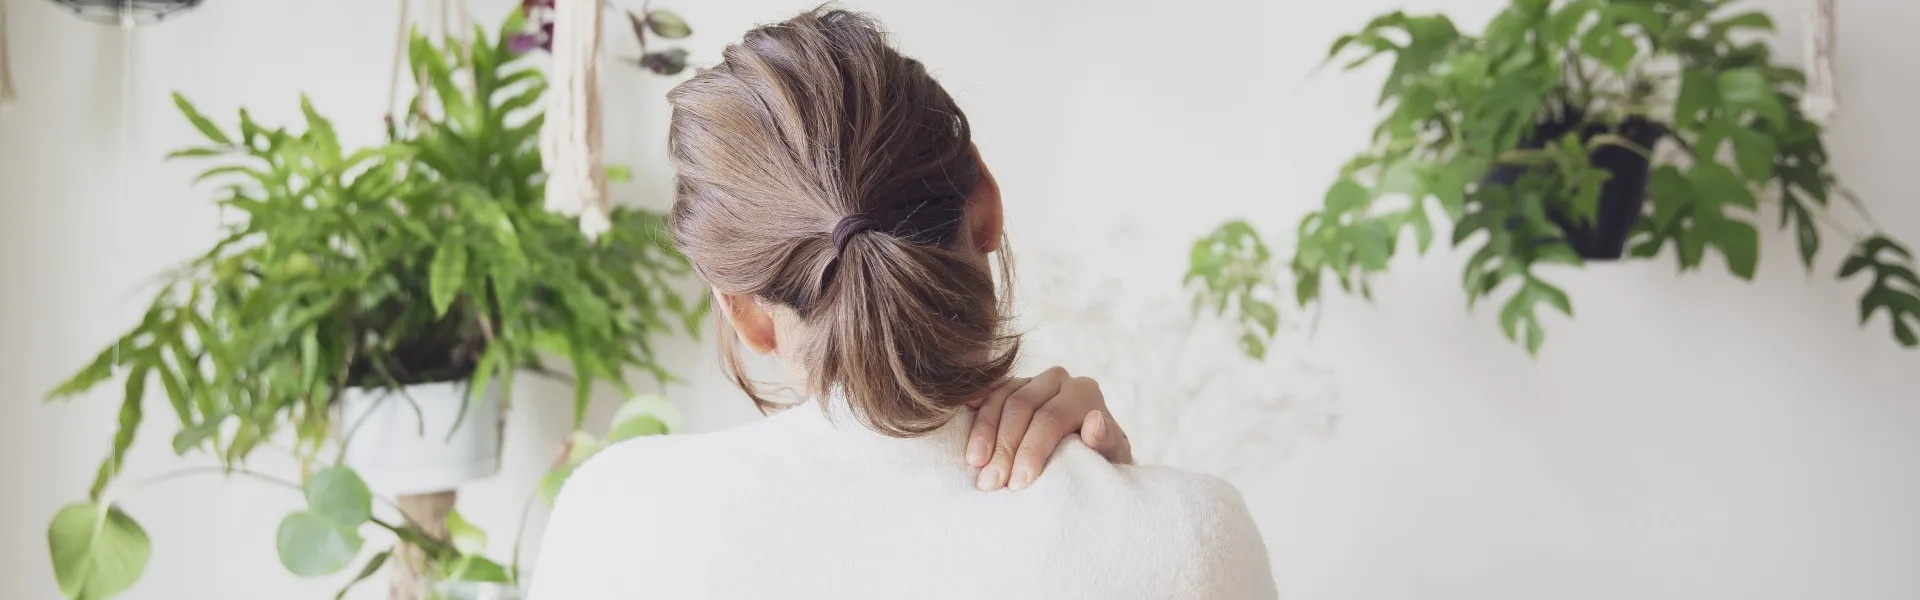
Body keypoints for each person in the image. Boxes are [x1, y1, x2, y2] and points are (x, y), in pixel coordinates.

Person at [527, 8, 1276, 599]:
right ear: (985, 205)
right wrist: (1128, 509)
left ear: (744, 311)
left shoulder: (612, 523)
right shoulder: (1195, 535)